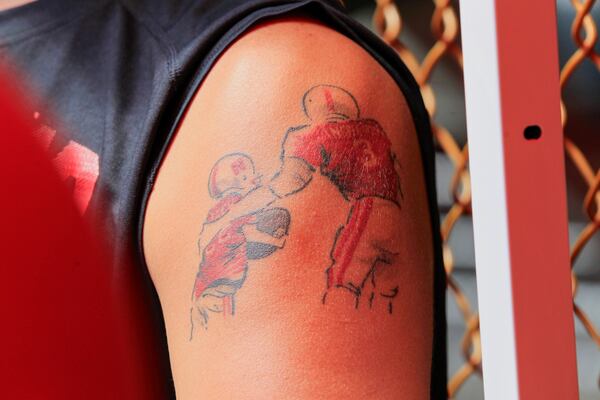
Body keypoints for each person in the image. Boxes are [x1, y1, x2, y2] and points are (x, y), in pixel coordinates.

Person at [1, 0, 446, 398]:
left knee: (348, 281)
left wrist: (262, 197)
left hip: (353, 218)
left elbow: (288, 185)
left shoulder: (263, 75)